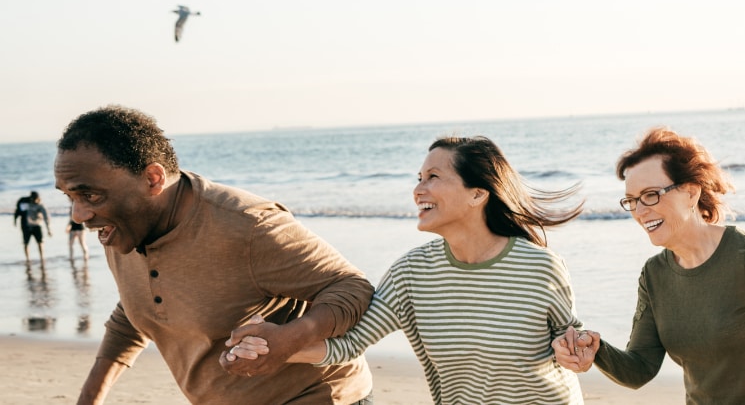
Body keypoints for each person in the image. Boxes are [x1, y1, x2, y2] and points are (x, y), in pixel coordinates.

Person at [227, 136, 591, 404]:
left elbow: (571, 341)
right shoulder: (412, 272)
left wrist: (574, 350)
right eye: (418, 178)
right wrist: (273, 344)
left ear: (478, 194)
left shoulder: (540, 267)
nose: (419, 189)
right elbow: (348, 345)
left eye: (433, 177)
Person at [51, 105, 375, 404]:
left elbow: (351, 286)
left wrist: (289, 339)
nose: (79, 215)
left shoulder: (249, 226)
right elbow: (134, 311)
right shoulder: (121, 231)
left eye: (90, 195)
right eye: (70, 197)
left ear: (152, 179)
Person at [554, 127, 745, 404]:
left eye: (651, 194)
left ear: (691, 193)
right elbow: (640, 368)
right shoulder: (654, 275)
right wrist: (596, 349)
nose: (640, 211)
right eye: (632, 201)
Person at [13, 191, 52, 270]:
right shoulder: (25, 202)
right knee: (26, 243)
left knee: (40, 242)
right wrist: (15, 220)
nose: (35, 201)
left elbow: (46, 217)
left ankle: (42, 258)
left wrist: (49, 229)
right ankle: (28, 259)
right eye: (34, 199)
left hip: (37, 226)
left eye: (36, 199)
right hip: (26, 226)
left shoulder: (40, 205)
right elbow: (17, 211)